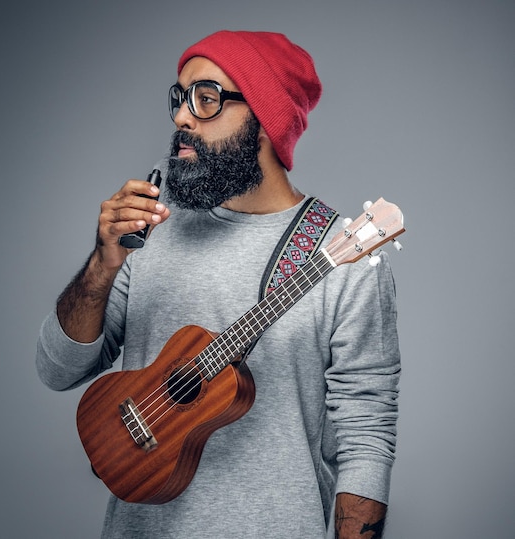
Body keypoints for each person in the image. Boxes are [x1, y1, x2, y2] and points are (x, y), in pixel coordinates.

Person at [36, 30, 401, 539]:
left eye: (206, 100)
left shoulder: (344, 256)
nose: (181, 118)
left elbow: (366, 433)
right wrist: (103, 263)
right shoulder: (151, 221)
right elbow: (56, 370)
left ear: (265, 122)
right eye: (180, 99)